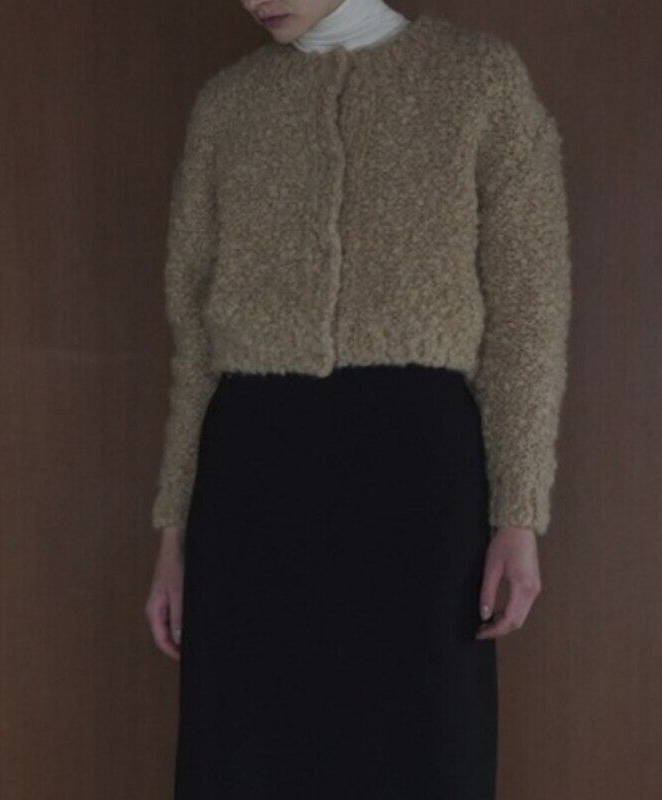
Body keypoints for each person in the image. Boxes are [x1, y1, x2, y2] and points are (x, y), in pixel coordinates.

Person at [145, 1, 572, 797]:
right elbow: (192, 343)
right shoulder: (228, 106)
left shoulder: (480, 80)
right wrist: (175, 533)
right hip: (251, 480)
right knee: (244, 758)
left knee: (420, 753)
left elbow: (527, 316)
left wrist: (520, 513)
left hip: (419, 478)